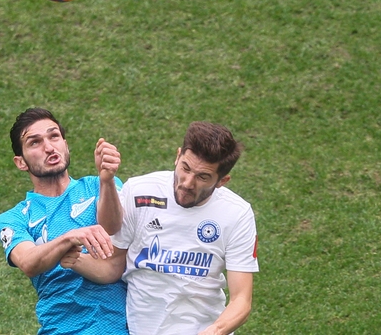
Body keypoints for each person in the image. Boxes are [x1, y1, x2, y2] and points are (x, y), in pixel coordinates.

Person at [62, 121, 259, 335]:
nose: (187, 183)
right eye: (185, 168)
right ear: (177, 156)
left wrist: (215, 331)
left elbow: (241, 299)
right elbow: (113, 265)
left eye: (202, 177)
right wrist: (76, 259)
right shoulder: (140, 191)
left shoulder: (237, 213)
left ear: (222, 181)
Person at [0, 107, 128, 335]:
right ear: (21, 162)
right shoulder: (14, 218)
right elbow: (27, 262)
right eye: (35, 142)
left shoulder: (98, 186)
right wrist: (69, 238)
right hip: (61, 329)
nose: (49, 147)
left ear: (65, 145)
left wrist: (106, 181)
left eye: (54, 136)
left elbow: (113, 227)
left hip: (117, 327)